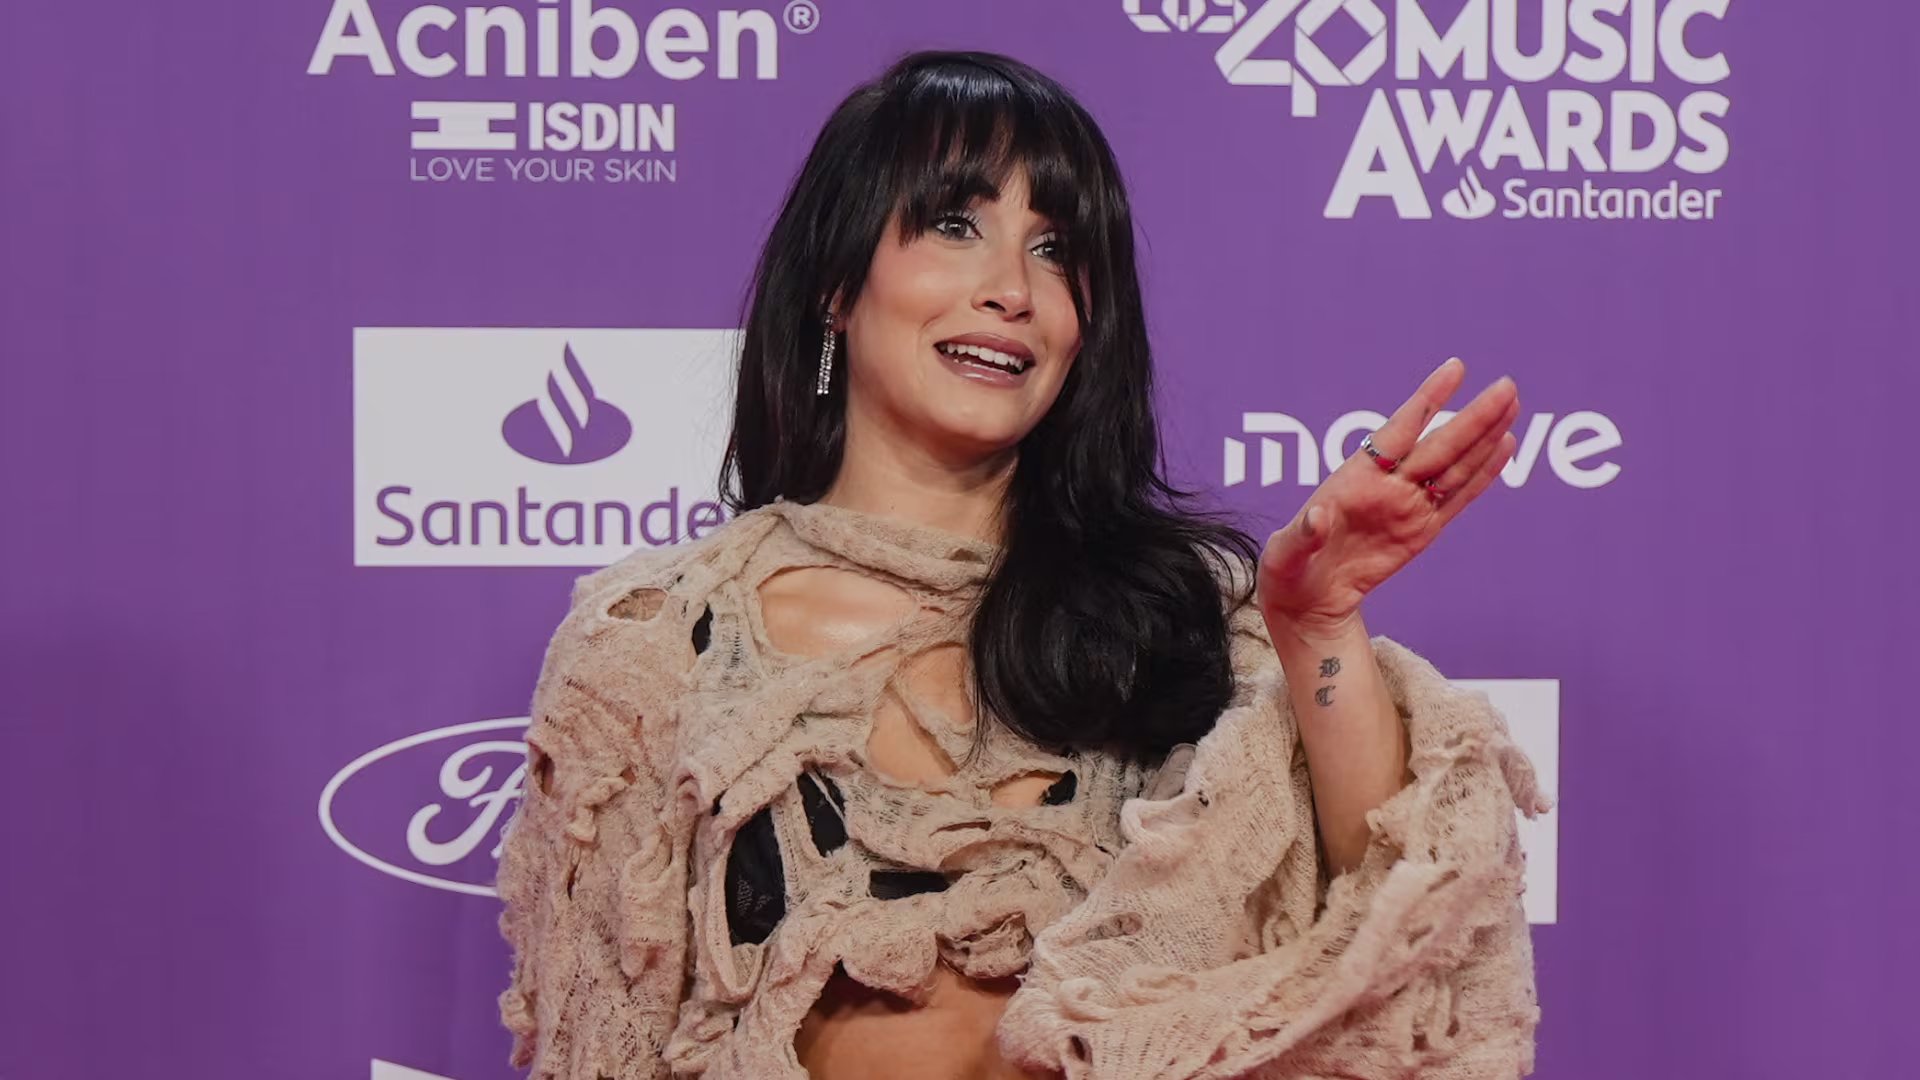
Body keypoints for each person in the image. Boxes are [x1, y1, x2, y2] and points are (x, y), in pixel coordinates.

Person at [495, 50, 1552, 1080]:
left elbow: (1395, 914)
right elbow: (602, 1045)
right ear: (836, 285)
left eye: (1055, 249)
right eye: (956, 225)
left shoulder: (1180, 613)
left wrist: (1319, 628)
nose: (1011, 289)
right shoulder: (659, 644)